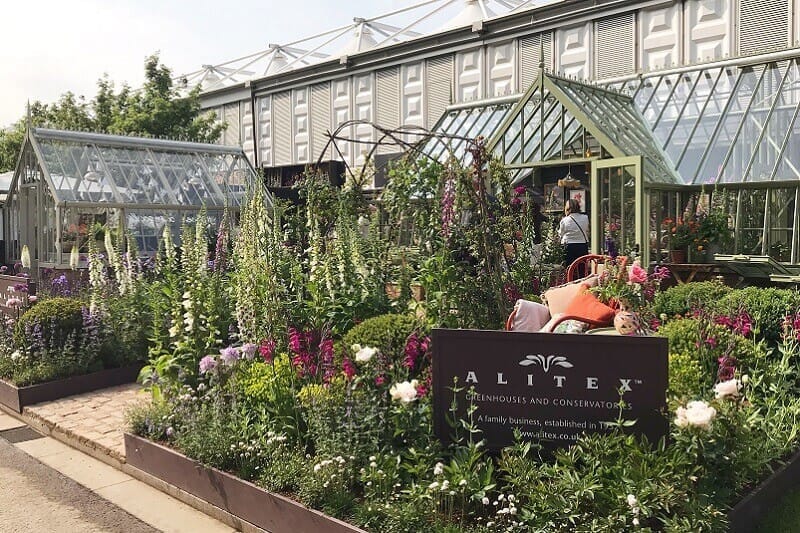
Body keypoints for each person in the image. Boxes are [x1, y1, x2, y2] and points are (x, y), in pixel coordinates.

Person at [559, 198, 589, 276]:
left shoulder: (565, 220)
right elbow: (586, 229)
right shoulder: (585, 217)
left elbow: (561, 233)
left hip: (568, 245)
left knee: (569, 268)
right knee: (582, 267)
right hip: (582, 244)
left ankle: (570, 282)